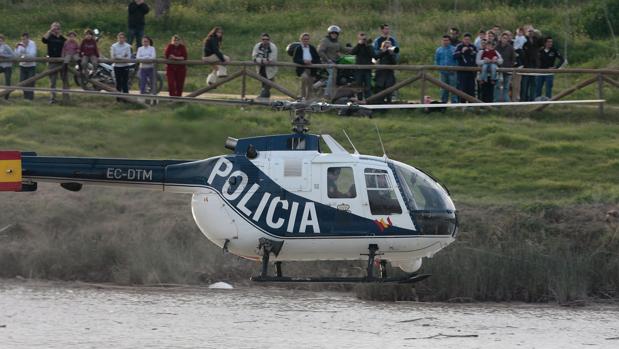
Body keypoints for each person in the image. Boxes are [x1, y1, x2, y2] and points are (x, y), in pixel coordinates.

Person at [318, 25, 350, 99]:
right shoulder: (325, 40)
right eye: (332, 33)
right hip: (325, 62)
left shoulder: (337, 42)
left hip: (335, 62)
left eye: (335, 33)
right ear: (329, 33)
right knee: (333, 73)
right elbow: (320, 51)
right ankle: (327, 94)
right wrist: (328, 60)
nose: (334, 34)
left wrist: (356, 47)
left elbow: (343, 49)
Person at [42, 22, 68, 104]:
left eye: (57, 28)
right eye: (54, 28)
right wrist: (50, 31)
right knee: (52, 81)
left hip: (61, 61)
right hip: (52, 61)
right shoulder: (49, 36)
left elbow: (67, 44)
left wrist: (59, 34)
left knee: (64, 79)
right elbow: (43, 40)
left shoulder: (62, 38)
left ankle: (65, 97)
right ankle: (53, 98)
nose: (56, 29)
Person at [292, 32, 320, 100]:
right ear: (301, 40)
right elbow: (295, 59)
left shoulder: (312, 48)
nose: (306, 41)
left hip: (312, 68)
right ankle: (302, 96)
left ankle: (308, 98)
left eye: (307, 39)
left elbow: (317, 58)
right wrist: (303, 61)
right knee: (304, 78)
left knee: (310, 83)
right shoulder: (298, 48)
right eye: (304, 39)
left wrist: (311, 62)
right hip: (302, 68)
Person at [251, 33, 278, 98]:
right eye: (263, 39)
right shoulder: (257, 46)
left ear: (269, 40)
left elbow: (272, 58)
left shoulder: (273, 47)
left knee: (269, 82)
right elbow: (254, 56)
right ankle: (265, 97)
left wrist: (264, 60)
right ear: (261, 39)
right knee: (263, 83)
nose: (265, 40)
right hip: (261, 68)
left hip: (270, 69)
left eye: (267, 39)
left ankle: (262, 96)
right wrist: (262, 61)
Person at [453, 33, 478, 102]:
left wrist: (471, 51)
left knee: (471, 89)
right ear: (463, 39)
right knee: (462, 88)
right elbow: (454, 56)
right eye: (465, 39)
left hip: (471, 71)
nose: (467, 41)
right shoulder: (459, 46)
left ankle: (471, 105)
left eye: (468, 39)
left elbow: (476, 55)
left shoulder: (473, 47)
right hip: (462, 72)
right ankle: (462, 104)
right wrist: (461, 52)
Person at [350, 31, 374, 100]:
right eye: (361, 36)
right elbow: (352, 52)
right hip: (359, 70)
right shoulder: (358, 46)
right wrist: (359, 44)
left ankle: (368, 102)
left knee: (368, 87)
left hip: (367, 70)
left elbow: (373, 55)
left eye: (364, 36)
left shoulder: (369, 46)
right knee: (359, 87)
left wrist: (367, 45)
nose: (363, 38)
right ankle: (359, 101)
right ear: (359, 38)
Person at [435, 34, 458, 104]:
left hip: (452, 72)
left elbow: (457, 60)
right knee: (443, 88)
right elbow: (437, 60)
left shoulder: (454, 49)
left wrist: (455, 68)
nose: (445, 42)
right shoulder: (438, 50)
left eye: (447, 40)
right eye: (444, 40)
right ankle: (443, 103)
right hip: (443, 72)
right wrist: (439, 69)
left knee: (453, 88)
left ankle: (454, 103)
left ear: (449, 41)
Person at [520, 28, 542, 101]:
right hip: (526, 64)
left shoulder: (536, 40)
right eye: (529, 31)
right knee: (525, 83)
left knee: (533, 82)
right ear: (526, 32)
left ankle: (532, 99)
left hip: (534, 64)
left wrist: (538, 33)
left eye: (532, 31)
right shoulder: (524, 40)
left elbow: (542, 43)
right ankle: (523, 99)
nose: (530, 33)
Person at [15, 32, 37, 100]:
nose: (23, 41)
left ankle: (30, 98)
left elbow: (32, 55)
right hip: (23, 65)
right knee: (23, 82)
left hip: (31, 66)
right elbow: (17, 55)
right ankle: (26, 98)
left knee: (31, 82)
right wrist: (16, 48)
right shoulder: (20, 43)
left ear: (28, 38)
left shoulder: (32, 44)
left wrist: (25, 48)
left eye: (24, 39)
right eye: (22, 39)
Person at [110, 32, 132, 100]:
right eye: (120, 38)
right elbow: (113, 57)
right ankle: (118, 99)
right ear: (117, 38)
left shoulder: (128, 46)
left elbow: (128, 57)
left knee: (125, 83)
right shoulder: (114, 46)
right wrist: (122, 56)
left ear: (125, 39)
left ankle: (127, 99)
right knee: (118, 83)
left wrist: (118, 57)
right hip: (117, 66)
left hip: (125, 66)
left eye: (123, 38)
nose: (121, 39)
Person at [495, 31, 516, 102]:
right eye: (503, 38)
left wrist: (510, 67)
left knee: (506, 87)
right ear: (501, 38)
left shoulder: (511, 48)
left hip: (507, 70)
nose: (505, 39)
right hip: (498, 70)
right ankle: (496, 102)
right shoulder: (496, 47)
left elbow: (513, 59)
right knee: (497, 86)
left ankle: (506, 102)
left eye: (506, 38)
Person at [0, 34, 15, 100]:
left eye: (1, 39)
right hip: (1, 65)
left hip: (8, 66)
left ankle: (6, 97)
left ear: (3, 40)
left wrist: (4, 56)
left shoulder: (6, 47)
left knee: (7, 81)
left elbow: (13, 55)